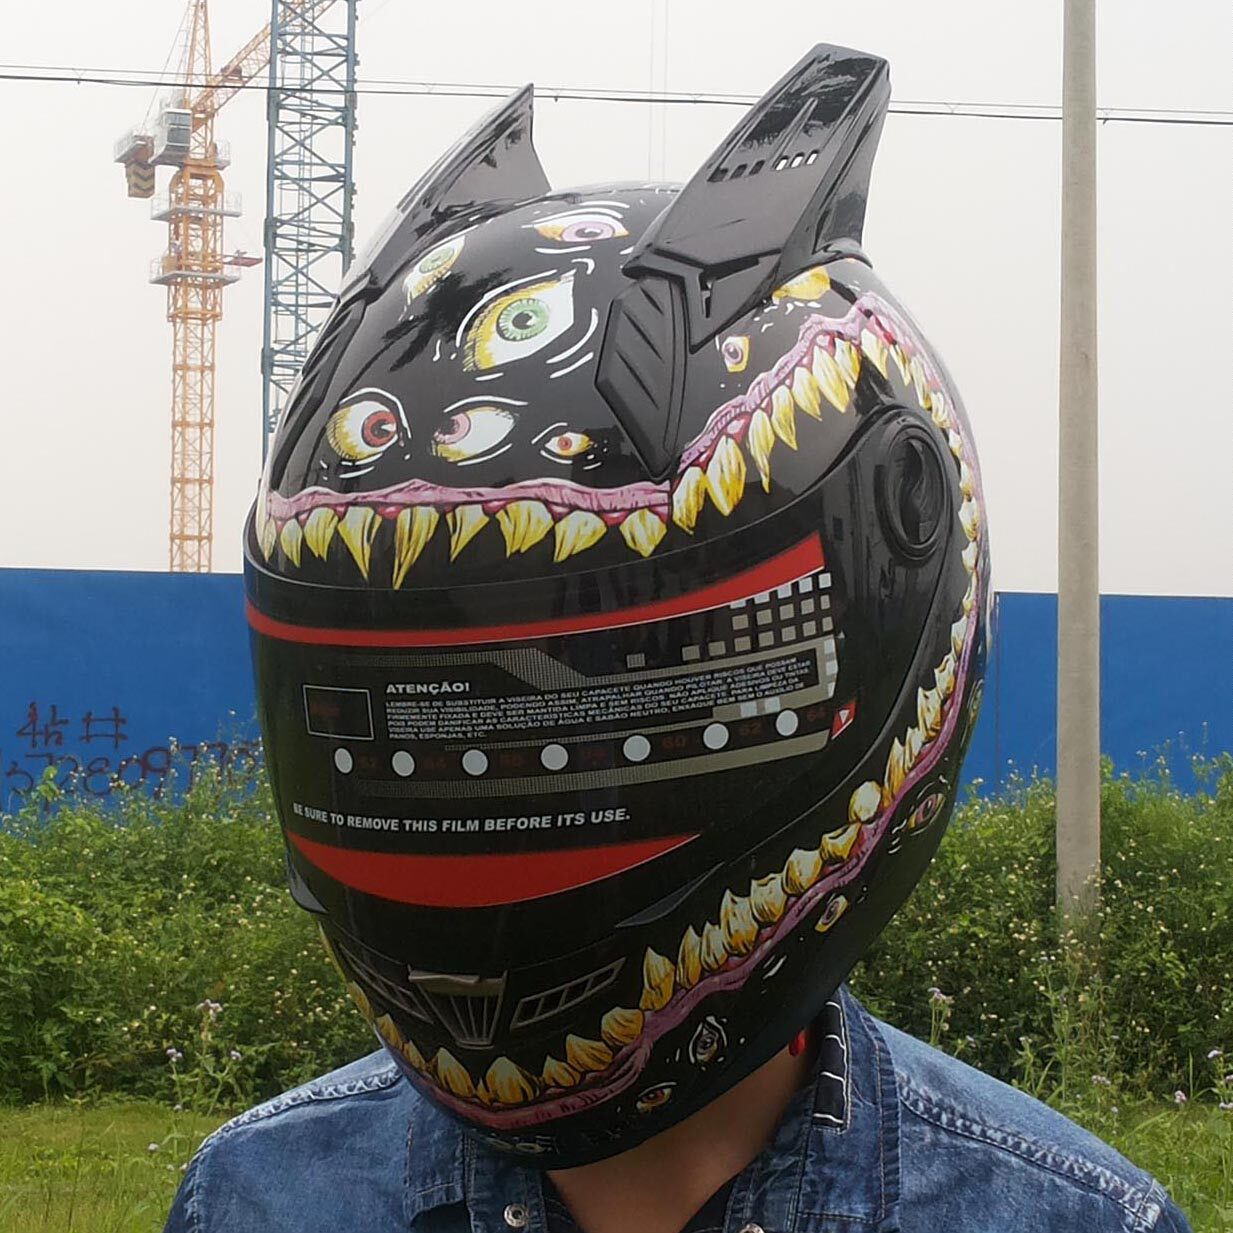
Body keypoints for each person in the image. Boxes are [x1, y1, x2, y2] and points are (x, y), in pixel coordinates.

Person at [167, 45, 1191, 1233]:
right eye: (371, 729)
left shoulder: (1070, 1218)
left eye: (606, 712)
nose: (468, 798)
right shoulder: (255, 1198)